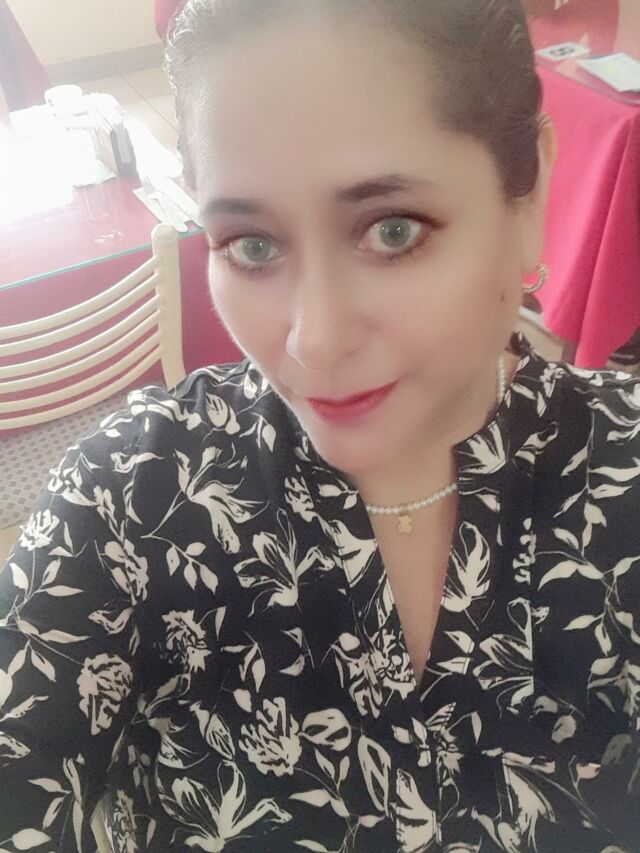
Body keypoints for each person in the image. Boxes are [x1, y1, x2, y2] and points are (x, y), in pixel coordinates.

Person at [1, 0, 639, 850]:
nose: (315, 340)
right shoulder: (128, 499)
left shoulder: (624, 475)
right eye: (252, 245)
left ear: (529, 198)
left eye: (393, 230)